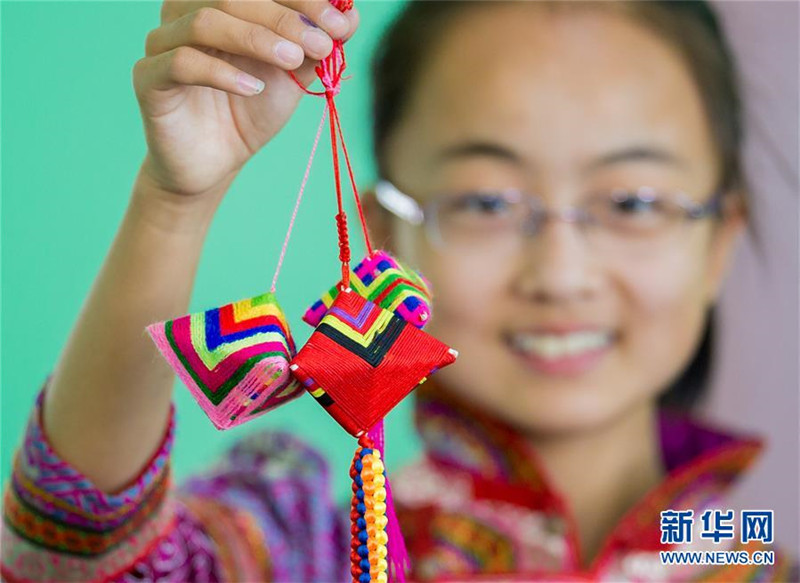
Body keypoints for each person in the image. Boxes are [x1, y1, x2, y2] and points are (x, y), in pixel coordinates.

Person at [1, 1, 796, 581]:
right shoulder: (309, 538)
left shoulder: (749, 554)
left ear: (719, 238)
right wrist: (175, 200)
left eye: (633, 202)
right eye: (486, 201)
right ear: (382, 237)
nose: (561, 274)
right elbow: (78, 557)